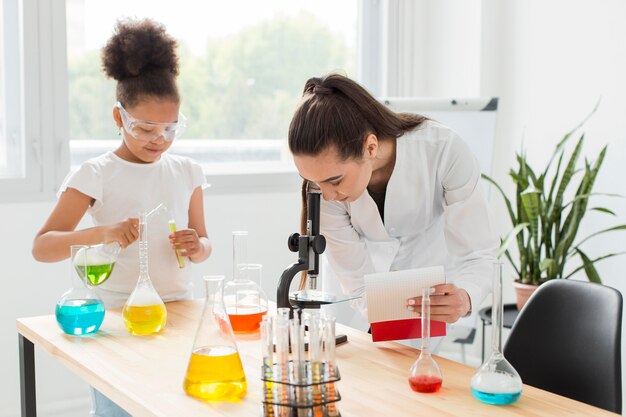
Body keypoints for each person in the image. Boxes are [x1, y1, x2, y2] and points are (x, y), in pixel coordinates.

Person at [32, 18, 211, 416]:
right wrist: (103, 233)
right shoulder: (95, 174)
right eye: (145, 128)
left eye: (169, 128)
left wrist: (197, 246)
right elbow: (42, 248)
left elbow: (204, 243)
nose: (159, 140)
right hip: (114, 321)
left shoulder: (187, 172)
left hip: (179, 314)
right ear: (119, 118)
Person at [288, 73, 499, 328]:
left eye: (335, 181)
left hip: (425, 297)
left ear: (370, 147)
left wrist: (465, 296)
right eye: (314, 182)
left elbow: (479, 253)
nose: (327, 195)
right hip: (349, 301)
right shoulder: (322, 189)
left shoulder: (444, 150)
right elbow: (356, 282)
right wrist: (380, 297)